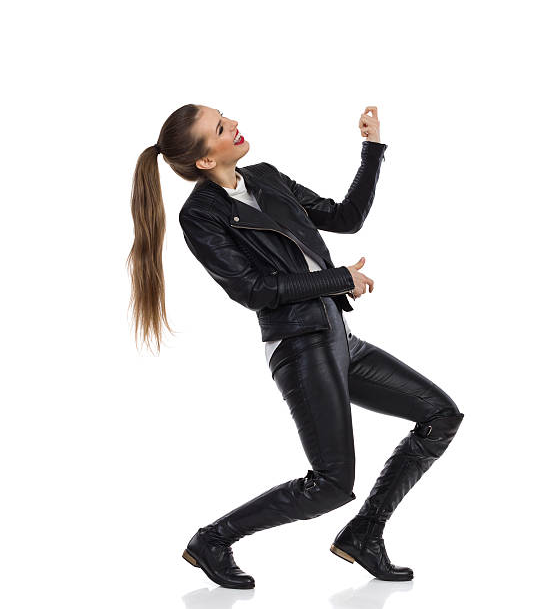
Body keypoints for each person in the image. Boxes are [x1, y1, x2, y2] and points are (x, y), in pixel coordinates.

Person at [127, 104, 465, 589]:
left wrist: (371, 150)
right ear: (204, 160)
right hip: (298, 346)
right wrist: (337, 278)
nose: (235, 124)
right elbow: (251, 290)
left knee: (440, 415)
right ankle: (213, 541)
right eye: (222, 128)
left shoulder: (264, 176)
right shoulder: (201, 215)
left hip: (336, 335)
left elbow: (344, 218)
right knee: (330, 485)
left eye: (226, 116)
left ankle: (365, 532)